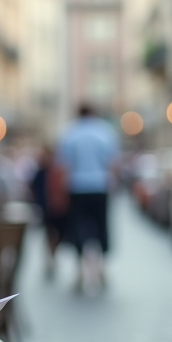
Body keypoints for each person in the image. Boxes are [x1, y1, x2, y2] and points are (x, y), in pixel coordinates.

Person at [56, 104, 119, 290]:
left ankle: (80, 272)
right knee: (102, 227)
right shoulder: (105, 132)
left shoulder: (70, 133)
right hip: (100, 186)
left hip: (77, 188)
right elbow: (113, 162)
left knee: (78, 228)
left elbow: (63, 166)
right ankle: (102, 270)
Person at [30, 146, 69, 279]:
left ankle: (53, 253)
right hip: (46, 208)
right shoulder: (41, 172)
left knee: (60, 235)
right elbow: (33, 187)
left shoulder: (59, 171)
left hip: (59, 209)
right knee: (49, 234)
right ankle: (50, 257)